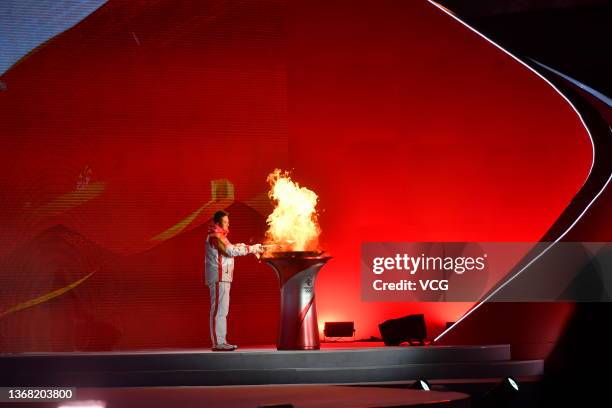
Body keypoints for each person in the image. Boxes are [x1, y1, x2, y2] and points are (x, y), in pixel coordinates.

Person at [204, 210, 264, 351]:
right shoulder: (215, 236)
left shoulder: (221, 236)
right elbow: (230, 252)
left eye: (228, 222)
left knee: (222, 311)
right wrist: (251, 248)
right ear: (218, 223)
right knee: (218, 310)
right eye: (225, 222)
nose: (228, 224)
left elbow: (230, 249)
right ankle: (218, 343)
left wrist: (243, 246)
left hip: (224, 278)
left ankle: (221, 342)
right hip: (219, 277)